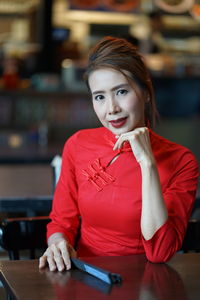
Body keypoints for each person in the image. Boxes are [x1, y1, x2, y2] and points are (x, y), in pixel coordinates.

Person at [39, 36, 199, 272]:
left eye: (121, 92)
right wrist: (57, 243)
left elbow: (160, 252)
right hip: (87, 277)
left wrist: (148, 164)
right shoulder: (78, 144)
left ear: (145, 91)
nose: (111, 108)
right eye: (100, 97)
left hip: (147, 283)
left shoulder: (182, 161)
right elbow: (62, 221)